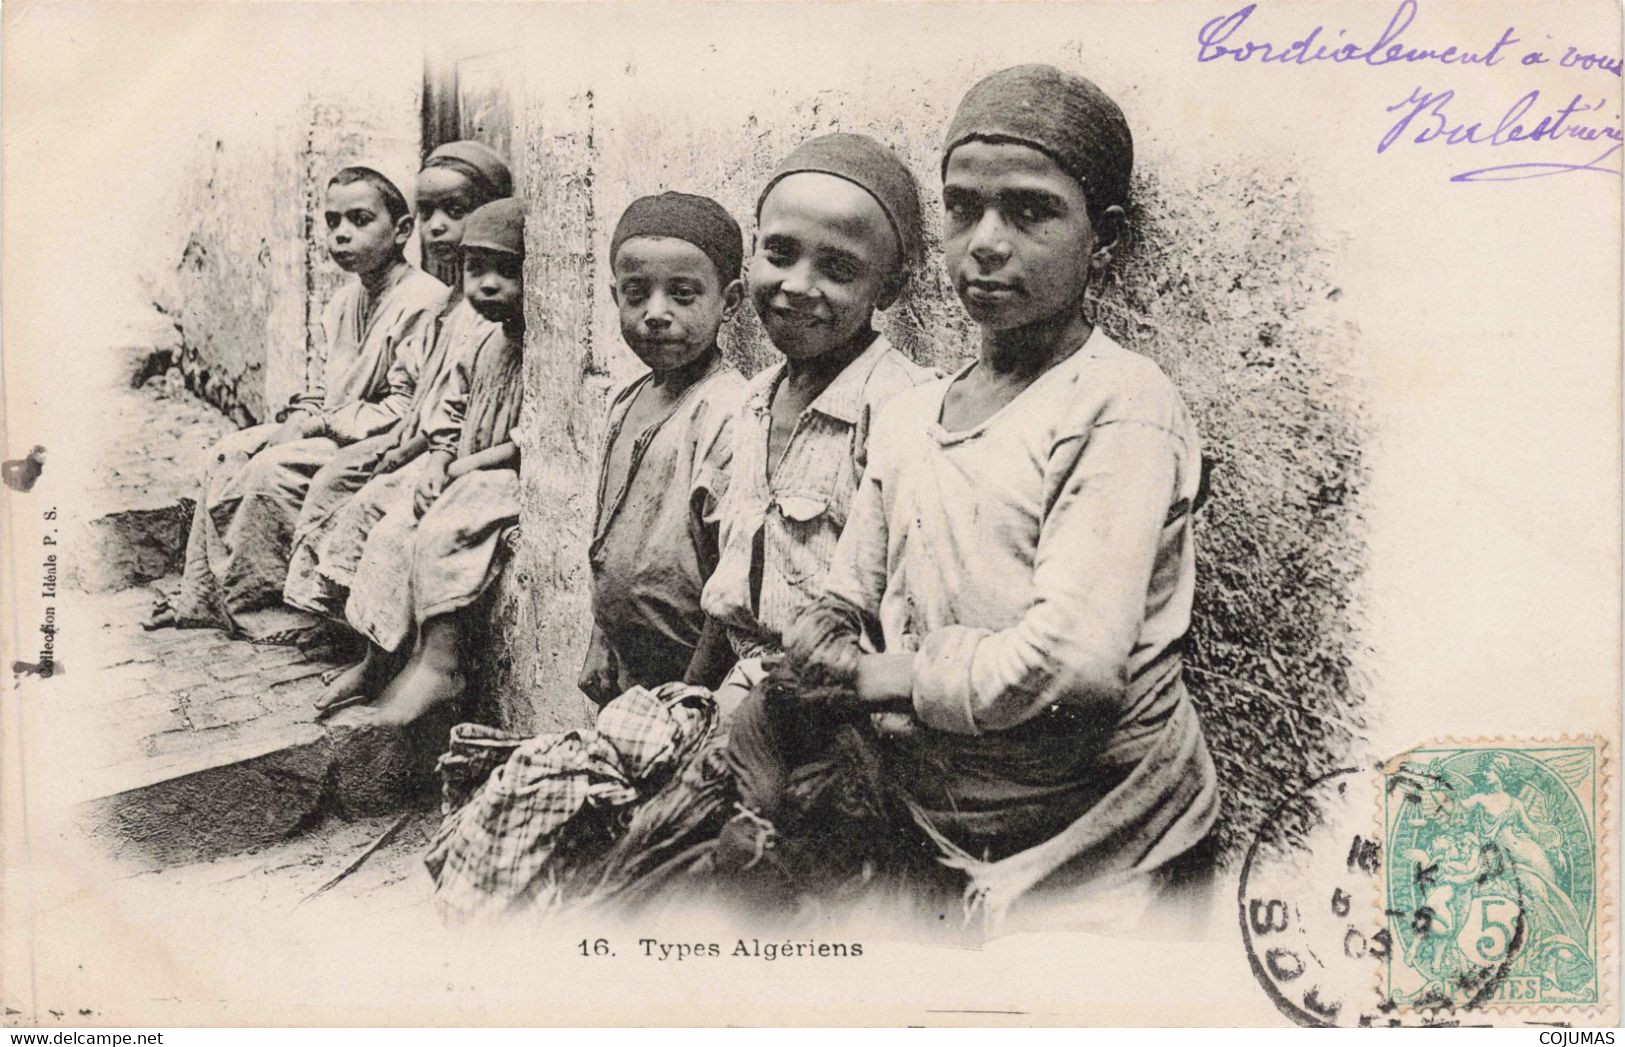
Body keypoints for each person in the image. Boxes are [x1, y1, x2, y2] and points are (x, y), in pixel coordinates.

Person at [731, 65, 1220, 929]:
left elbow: (1067, 666)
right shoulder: (914, 414)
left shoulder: (1118, 404)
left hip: (1096, 848)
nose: (986, 241)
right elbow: (840, 600)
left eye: (1031, 211)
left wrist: (879, 678)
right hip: (934, 831)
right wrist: (827, 645)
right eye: (963, 208)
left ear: (1103, 237)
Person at [697, 132, 938, 719]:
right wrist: (695, 701)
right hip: (746, 685)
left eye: (837, 268)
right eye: (779, 254)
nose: (798, 286)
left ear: (891, 285)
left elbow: (907, 618)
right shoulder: (752, 401)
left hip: (835, 705)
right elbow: (731, 593)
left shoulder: (901, 409)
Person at [162, 160, 446, 634]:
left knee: (271, 471)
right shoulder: (342, 303)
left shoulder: (423, 301)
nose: (341, 234)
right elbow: (327, 387)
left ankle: (282, 611)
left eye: (359, 219)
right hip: (336, 427)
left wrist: (318, 424)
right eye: (332, 221)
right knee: (225, 454)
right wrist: (304, 413)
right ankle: (202, 600)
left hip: (377, 440)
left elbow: (405, 410)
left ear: (401, 231)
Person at [284, 143, 513, 708]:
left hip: (471, 464)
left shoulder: (497, 324)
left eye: (455, 212)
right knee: (357, 496)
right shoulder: (451, 310)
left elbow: (467, 421)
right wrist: (415, 448)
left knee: (394, 518)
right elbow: (440, 406)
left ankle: (394, 662)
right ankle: (350, 632)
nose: (439, 228)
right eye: (428, 213)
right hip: (435, 449)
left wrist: (432, 455)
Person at [333, 198, 526, 727]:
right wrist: (441, 460)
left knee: (442, 530)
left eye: (506, 271)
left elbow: (525, 441)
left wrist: (461, 471)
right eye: (474, 270)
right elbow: (451, 412)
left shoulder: (537, 352)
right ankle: (377, 656)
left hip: (501, 479)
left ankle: (440, 663)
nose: (487, 285)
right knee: (395, 528)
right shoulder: (483, 342)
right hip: (462, 472)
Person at [577, 192, 747, 703]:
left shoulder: (728, 412)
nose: (655, 313)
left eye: (682, 294)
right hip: (629, 671)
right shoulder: (626, 402)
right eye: (636, 293)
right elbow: (607, 538)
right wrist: (599, 640)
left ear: (730, 300)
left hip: (694, 676)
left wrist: (693, 696)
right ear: (615, 297)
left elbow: (732, 576)